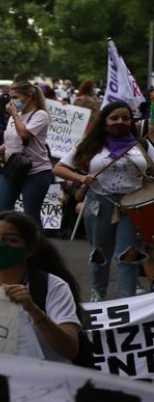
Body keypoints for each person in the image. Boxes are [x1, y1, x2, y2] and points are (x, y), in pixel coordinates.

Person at [53, 101, 154, 300]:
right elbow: (59, 168)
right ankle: (98, 294)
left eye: (125, 118)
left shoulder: (141, 145)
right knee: (100, 253)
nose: (120, 122)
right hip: (99, 204)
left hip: (133, 207)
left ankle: (128, 300)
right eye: (114, 118)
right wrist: (81, 178)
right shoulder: (90, 145)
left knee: (129, 254)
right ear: (104, 122)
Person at [0, 211, 82, 363]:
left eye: (11, 240)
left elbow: (70, 349)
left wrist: (33, 310)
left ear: (29, 250)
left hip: (43, 381)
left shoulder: (52, 287)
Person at [0, 81, 52, 226]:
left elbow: (24, 135)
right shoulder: (16, 116)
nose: (12, 101)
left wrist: (14, 115)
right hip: (12, 169)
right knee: (1, 211)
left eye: (15, 97)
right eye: (10, 97)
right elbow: (10, 143)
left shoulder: (40, 115)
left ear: (28, 96)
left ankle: (35, 247)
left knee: (30, 215)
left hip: (35, 172)